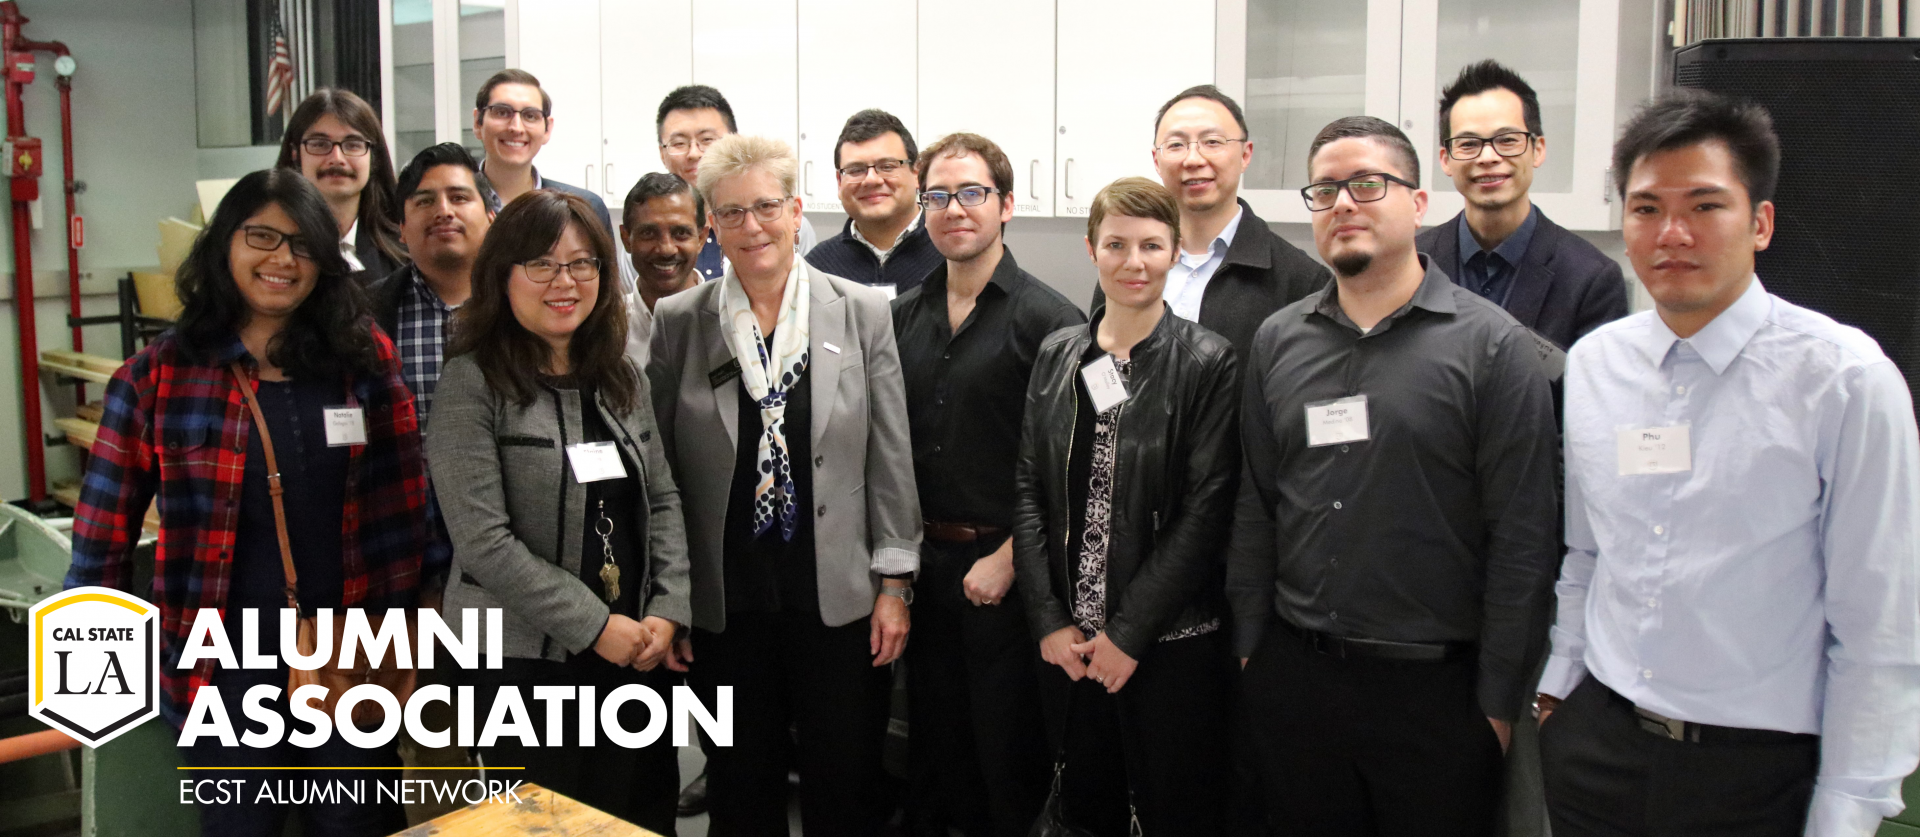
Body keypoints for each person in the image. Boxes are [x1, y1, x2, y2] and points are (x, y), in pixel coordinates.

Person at [1534, 90, 1920, 837]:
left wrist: (1846, 808)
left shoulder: (1845, 380)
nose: (1671, 233)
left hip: (1757, 771)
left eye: (1705, 205)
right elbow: (1587, 553)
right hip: (1598, 747)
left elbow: (1880, 623)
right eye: (1646, 209)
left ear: (1761, 223)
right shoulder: (1595, 363)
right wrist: (1560, 685)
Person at [66, 168, 427, 836]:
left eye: (302, 244)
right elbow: (100, 548)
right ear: (223, 245)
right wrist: (98, 684)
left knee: (356, 824)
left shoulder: (364, 358)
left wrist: (416, 631)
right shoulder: (155, 376)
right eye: (261, 236)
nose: (282, 259)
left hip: (345, 659)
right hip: (220, 663)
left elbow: (407, 507)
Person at [1227, 116, 1559, 836]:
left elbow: (1523, 539)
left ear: (1419, 201)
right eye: (1325, 190)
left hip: (1436, 695)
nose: (1343, 203)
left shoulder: (1493, 349)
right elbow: (1257, 502)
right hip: (1297, 677)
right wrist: (1253, 649)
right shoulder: (1278, 341)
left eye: (1367, 184)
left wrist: (1497, 705)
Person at [647, 134, 918, 836]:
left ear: (797, 210)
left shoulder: (859, 311)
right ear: (711, 222)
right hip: (726, 601)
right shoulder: (680, 321)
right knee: (741, 783)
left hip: (839, 597)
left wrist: (894, 585)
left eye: (766, 206)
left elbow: (890, 458)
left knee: (843, 780)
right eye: (730, 212)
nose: (751, 226)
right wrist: (669, 598)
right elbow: (661, 477)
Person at [428, 190, 691, 834]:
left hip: (633, 652)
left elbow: (662, 497)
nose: (564, 282)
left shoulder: (621, 375)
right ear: (503, 275)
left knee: (638, 810)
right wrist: (597, 626)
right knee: (546, 823)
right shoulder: (472, 380)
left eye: (582, 264)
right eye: (542, 265)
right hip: (522, 663)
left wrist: (668, 607)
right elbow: (484, 543)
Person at [1012, 177, 1239, 836]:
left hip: (1167, 645)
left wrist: (1129, 634)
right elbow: (1029, 486)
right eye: (1116, 244)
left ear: (1174, 251)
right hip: (1068, 647)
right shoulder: (1060, 353)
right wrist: (1048, 620)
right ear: (1091, 249)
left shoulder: (1208, 361)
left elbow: (1205, 509)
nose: (1133, 262)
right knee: (1085, 803)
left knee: (1170, 804)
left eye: (1150, 245)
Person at [894, 132, 1084, 837]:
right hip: (924, 572)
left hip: (1010, 577)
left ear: (1006, 204)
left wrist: (1008, 558)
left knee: (1008, 760)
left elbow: (1074, 464)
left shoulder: (1051, 321)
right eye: (937, 196)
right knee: (939, 759)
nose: (953, 209)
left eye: (971, 192)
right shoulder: (903, 317)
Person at [1093, 84, 1329, 366]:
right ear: (1156, 160)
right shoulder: (1128, 265)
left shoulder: (1300, 280)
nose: (1193, 159)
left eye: (1213, 142)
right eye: (1176, 145)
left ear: (1245, 155)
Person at [1416, 60, 1628, 350]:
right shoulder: (1413, 263)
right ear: (1445, 159)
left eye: (1507, 140)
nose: (1487, 156)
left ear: (1537, 150)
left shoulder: (1591, 278)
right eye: (1468, 144)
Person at [370, 142, 494, 425]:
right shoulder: (367, 313)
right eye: (425, 201)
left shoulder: (524, 305)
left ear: (491, 217)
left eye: (459, 197)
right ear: (401, 229)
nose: (444, 211)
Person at [656, 84, 819, 283]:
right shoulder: (648, 238)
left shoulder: (788, 224)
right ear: (662, 154)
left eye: (706, 139)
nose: (694, 153)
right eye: (679, 143)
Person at [805, 109, 942, 297]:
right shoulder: (817, 269)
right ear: (839, 181)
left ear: (916, 173)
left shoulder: (950, 253)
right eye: (856, 169)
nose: (871, 180)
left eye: (887, 166)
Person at [275, 88, 405, 285]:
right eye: (320, 144)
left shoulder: (408, 252)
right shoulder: (270, 249)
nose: (337, 159)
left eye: (353, 144)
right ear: (295, 155)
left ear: (373, 157)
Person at [618, 172, 705, 367]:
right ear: (626, 239)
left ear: (701, 238)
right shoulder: (604, 329)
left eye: (680, 233)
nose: (666, 249)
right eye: (649, 233)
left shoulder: (732, 319)